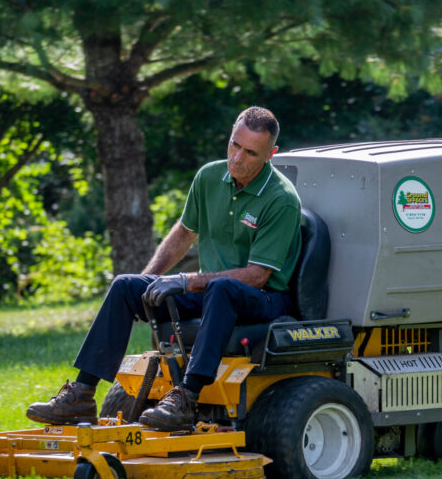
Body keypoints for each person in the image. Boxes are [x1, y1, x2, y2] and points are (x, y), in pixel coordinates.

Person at [25, 106, 301, 431]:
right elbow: (184, 233)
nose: (237, 158)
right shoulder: (209, 177)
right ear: (230, 136)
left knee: (222, 288)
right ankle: (82, 395)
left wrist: (185, 281)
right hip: (213, 292)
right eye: (234, 145)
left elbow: (257, 276)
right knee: (126, 285)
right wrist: (149, 282)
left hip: (265, 298)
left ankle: (186, 397)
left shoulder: (281, 199)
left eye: (250, 152)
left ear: (271, 154)